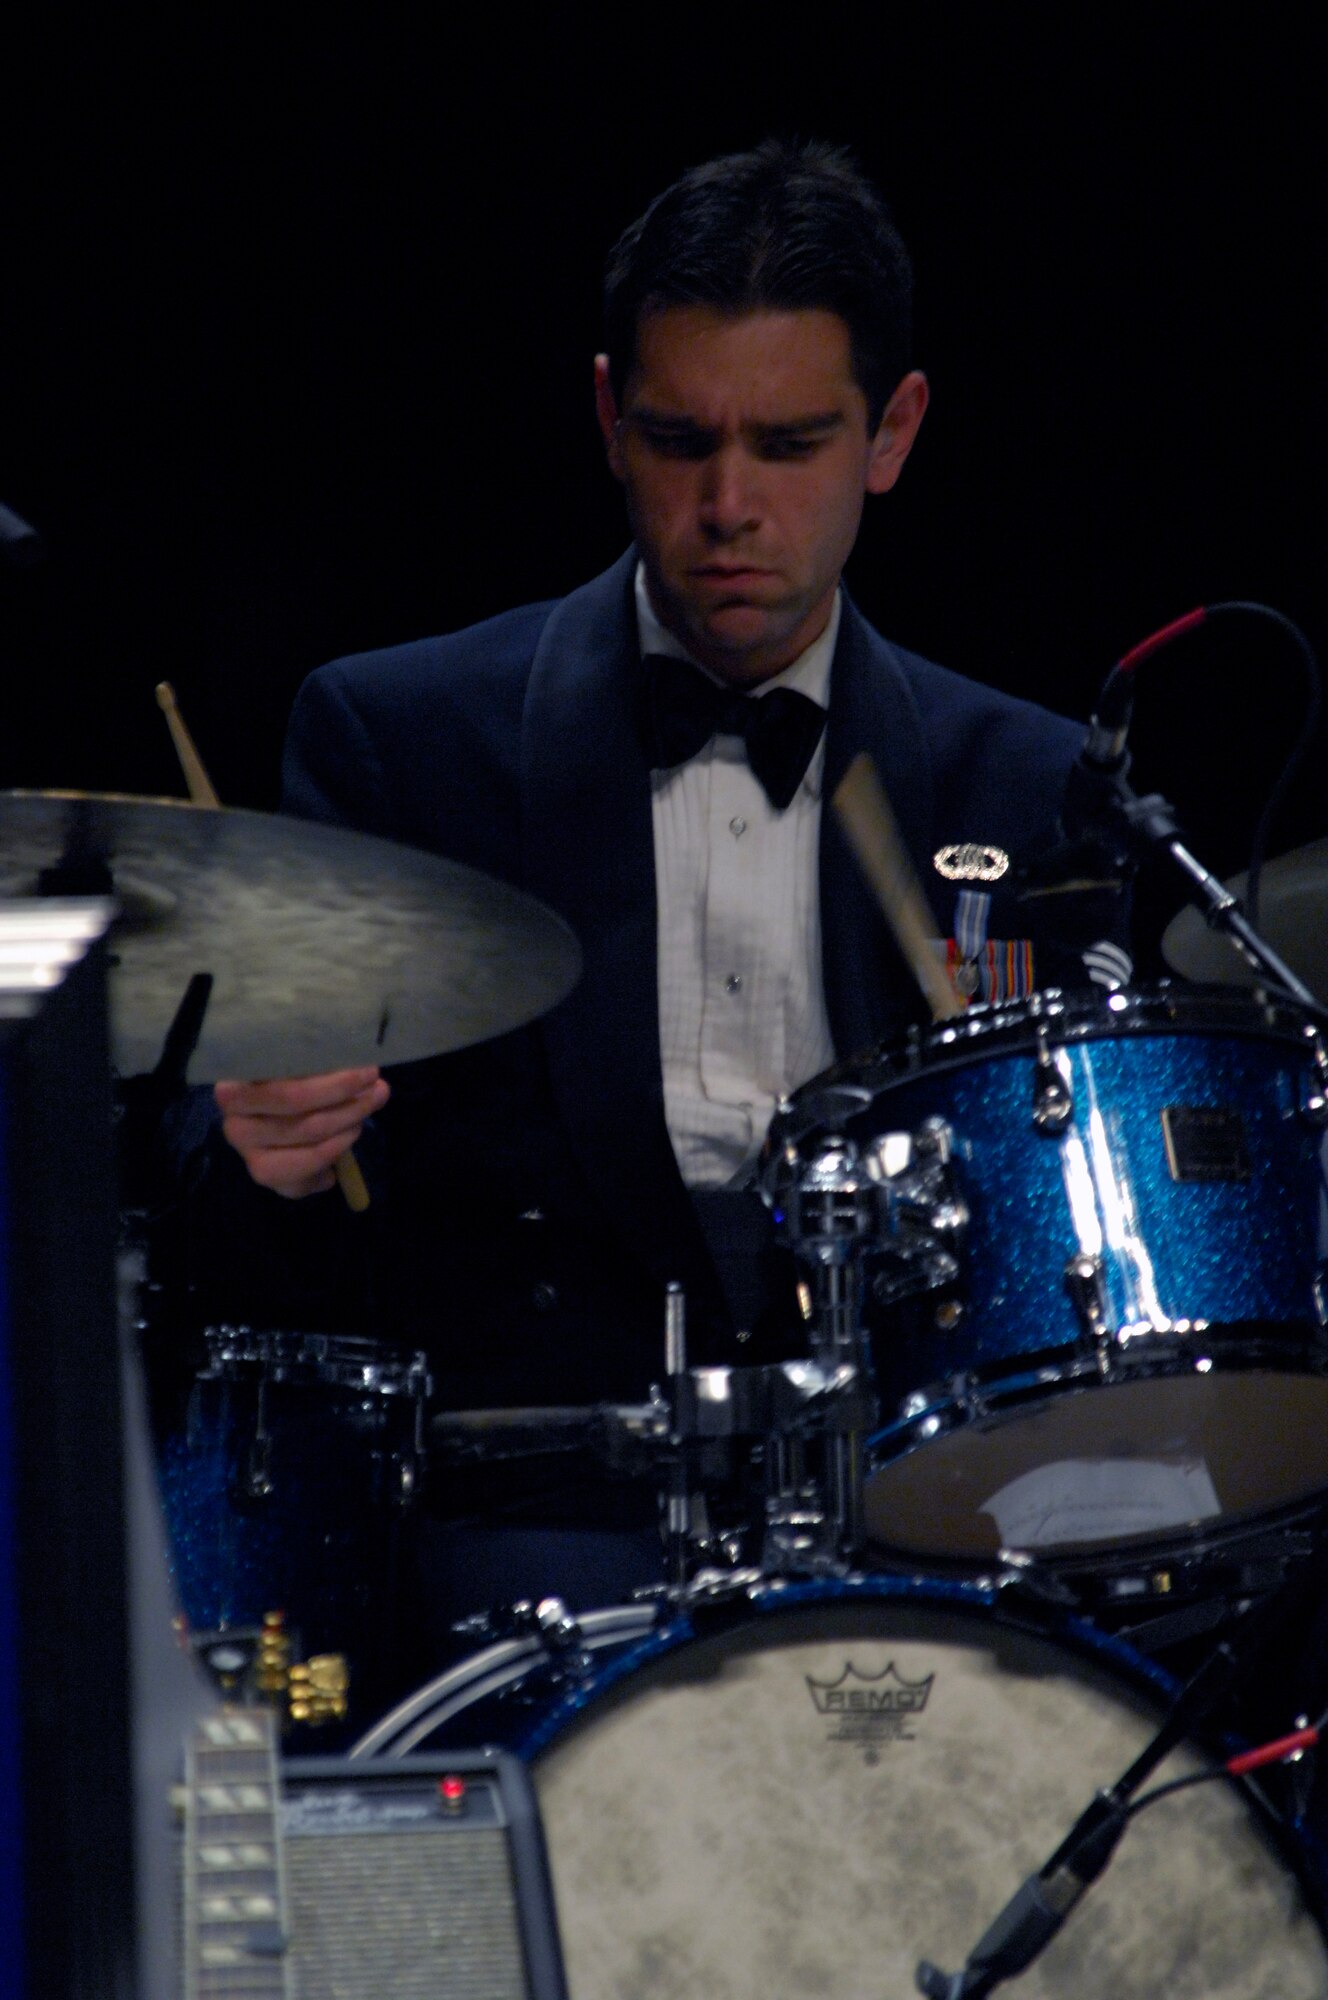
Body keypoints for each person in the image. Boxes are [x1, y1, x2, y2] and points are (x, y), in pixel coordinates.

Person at [166, 139, 1126, 1635]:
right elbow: (243, 1253)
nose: (728, 505)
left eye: (792, 446)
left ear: (895, 432)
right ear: (610, 415)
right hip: (537, 1524)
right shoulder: (402, 745)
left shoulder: (1035, 785)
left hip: (922, 1498)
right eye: (682, 441)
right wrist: (260, 1155)